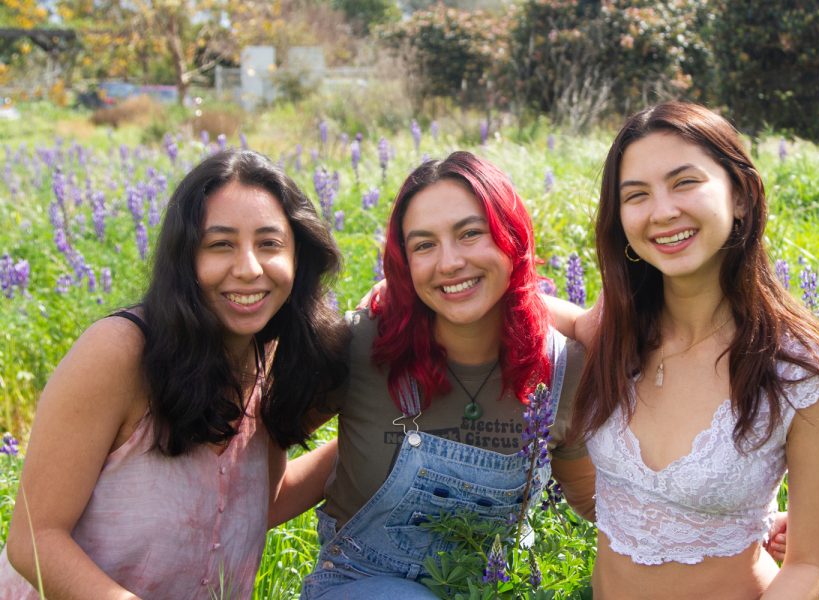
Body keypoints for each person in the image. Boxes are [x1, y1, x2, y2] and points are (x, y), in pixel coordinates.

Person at [0, 149, 347, 600]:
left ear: (299, 257)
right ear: (185, 258)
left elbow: (263, 501)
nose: (248, 268)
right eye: (220, 244)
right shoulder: (120, 351)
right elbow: (34, 540)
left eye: (269, 244)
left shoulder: (268, 356)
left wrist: (380, 436)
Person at [571, 102, 819, 599]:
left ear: (740, 195)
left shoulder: (801, 370)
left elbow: (809, 568)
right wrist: (394, 297)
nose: (662, 212)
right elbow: (527, 312)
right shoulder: (614, 329)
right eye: (636, 195)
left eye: (685, 183)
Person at [299, 151, 596, 599]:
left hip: (493, 589)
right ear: (404, 264)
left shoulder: (562, 368)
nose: (449, 262)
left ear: (510, 238)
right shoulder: (360, 346)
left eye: (470, 233)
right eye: (423, 245)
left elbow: (595, 501)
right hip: (362, 584)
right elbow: (255, 447)